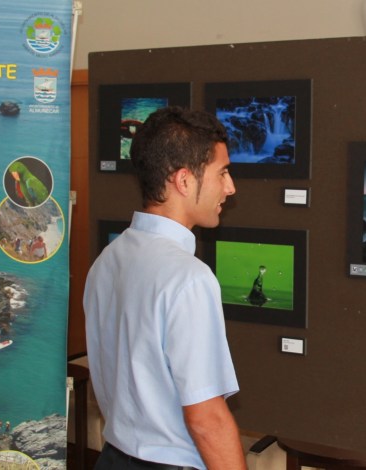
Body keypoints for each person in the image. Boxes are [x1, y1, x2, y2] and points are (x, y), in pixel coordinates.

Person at [83, 106, 244, 470]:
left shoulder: (107, 260)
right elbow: (206, 419)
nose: (230, 188)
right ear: (184, 181)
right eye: (223, 173)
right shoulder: (189, 278)